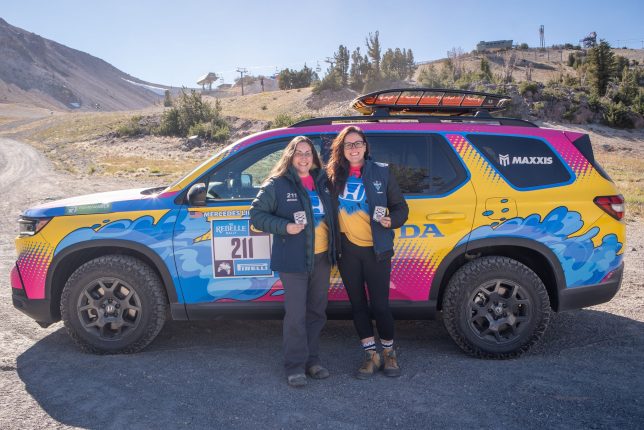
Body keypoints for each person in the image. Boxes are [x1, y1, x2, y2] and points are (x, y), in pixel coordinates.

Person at [250, 136, 335, 388]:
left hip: (321, 259)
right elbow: (256, 215)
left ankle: (313, 361)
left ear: (314, 157)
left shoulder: (322, 182)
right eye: (299, 153)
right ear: (290, 155)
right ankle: (295, 366)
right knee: (296, 315)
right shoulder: (277, 184)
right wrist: (285, 226)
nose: (304, 157)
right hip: (293, 260)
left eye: (308, 152)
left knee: (316, 312)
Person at [326, 125, 409, 379]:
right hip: (348, 251)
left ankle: (389, 354)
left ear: (365, 146)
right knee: (358, 306)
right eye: (348, 144)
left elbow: (400, 208)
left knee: (381, 306)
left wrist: (390, 221)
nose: (354, 148)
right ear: (341, 149)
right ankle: (370, 355)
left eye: (358, 143)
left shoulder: (381, 172)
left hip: (377, 251)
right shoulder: (332, 176)